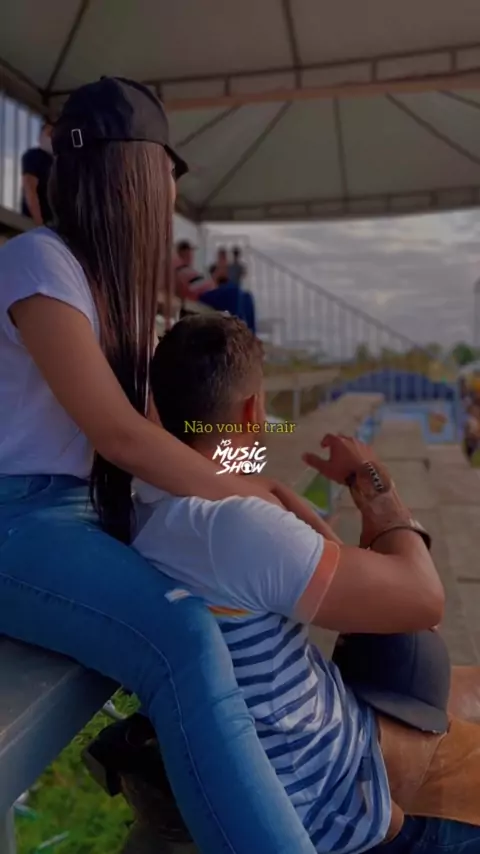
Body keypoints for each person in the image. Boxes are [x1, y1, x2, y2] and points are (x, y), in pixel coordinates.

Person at [0, 77, 317, 854]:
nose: (172, 197)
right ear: (133, 177)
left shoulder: (105, 287)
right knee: (184, 641)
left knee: (228, 585)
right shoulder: (39, 262)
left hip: (82, 515)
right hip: (22, 519)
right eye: (167, 176)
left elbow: (157, 433)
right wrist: (253, 494)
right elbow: (123, 437)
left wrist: (256, 482)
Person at [126, 313, 480, 854]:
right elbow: (423, 600)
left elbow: (227, 458)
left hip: (335, 742)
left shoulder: (152, 505)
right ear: (253, 408)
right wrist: (373, 481)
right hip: (347, 804)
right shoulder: (235, 529)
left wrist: (276, 489)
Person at [21, 121, 54, 225]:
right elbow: (30, 190)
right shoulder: (34, 156)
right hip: (37, 222)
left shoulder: (61, 163)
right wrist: (39, 222)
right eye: (49, 133)